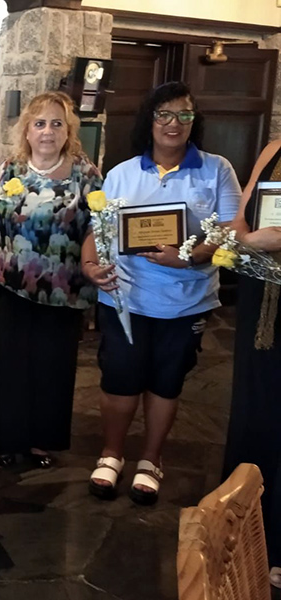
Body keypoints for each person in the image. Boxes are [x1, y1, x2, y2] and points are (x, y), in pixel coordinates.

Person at [83, 82, 241, 504]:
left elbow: (232, 233)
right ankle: (112, 453)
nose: (174, 124)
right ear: (149, 120)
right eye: (164, 115)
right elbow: (97, 230)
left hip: (186, 301)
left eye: (184, 115)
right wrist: (90, 267)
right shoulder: (122, 173)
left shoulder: (216, 169)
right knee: (119, 379)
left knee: (166, 383)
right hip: (125, 298)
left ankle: (150, 459)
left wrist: (190, 257)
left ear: (194, 121)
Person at [0, 91, 103, 469]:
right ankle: (5, 442)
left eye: (56, 124)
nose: (47, 132)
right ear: (27, 132)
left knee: (54, 366)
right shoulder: (7, 170)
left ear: (68, 131)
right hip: (10, 285)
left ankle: (40, 442)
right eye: (39, 124)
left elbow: (100, 226)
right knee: (11, 366)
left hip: (63, 290)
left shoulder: (87, 175)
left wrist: (94, 259)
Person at [222, 137, 281, 587]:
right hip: (264, 299)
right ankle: (243, 527)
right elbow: (245, 212)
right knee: (257, 407)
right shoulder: (273, 147)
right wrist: (244, 237)